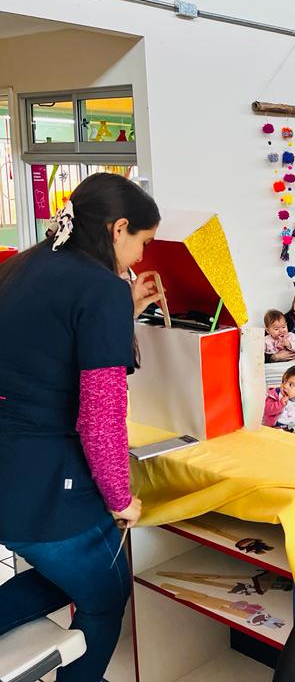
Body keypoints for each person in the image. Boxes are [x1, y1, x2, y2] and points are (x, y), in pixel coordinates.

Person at [0, 173, 161, 680]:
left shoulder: (23, 265)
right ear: (118, 229)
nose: (141, 256)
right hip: (46, 483)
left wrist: (122, 311)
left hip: (9, 472)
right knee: (105, 595)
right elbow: (101, 416)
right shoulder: (101, 287)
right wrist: (120, 498)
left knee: (72, 576)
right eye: (144, 241)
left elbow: (46, 344)